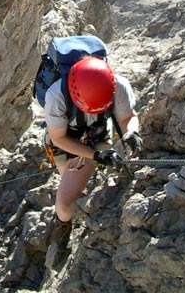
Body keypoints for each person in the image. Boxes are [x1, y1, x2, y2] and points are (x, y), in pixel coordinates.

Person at [44, 55, 142, 269]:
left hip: (96, 133)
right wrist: (95, 156)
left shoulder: (119, 86)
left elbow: (127, 118)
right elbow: (58, 138)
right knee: (64, 199)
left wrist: (132, 132)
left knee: (69, 192)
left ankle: (72, 202)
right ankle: (62, 230)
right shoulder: (56, 96)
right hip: (64, 138)